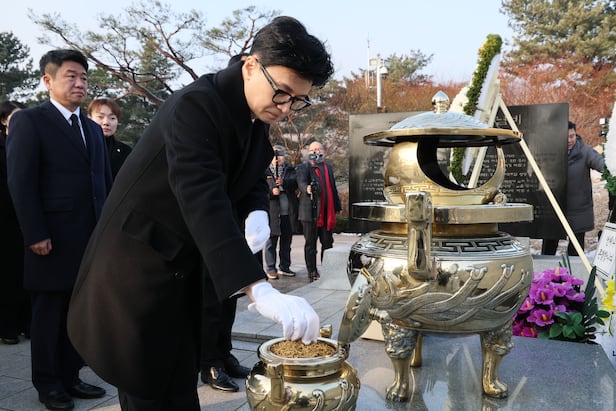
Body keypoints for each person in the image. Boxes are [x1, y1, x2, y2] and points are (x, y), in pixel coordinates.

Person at [66, 16, 334, 410]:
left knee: (177, 380)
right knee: (147, 387)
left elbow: (250, 173)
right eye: (282, 93)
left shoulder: (254, 111)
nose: (286, 108)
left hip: (180, 269)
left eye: (298, 100)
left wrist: (256, 211)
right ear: (250, 65)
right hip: (136, 269)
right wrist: (257, 286)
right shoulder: (196, 105)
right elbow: (201, 196)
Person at [6, 49, 112, 411]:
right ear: (48, 80)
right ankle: (48, 383)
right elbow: (21, 181)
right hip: (50, 239)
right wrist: (35, 232)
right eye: (71, 76)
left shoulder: (92, 129)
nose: (80, 83)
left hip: (90, 238)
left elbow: (103, 184)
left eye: (84, 77)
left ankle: (71, 375)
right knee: (49, 315)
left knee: (79, 312)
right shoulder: (30, 121)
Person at [542, 121, 605, 256]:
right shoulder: (549, 153)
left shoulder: (585, 152)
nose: (570, 140)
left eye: (572, 136)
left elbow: (601, 164)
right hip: (555, 210)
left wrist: (611, 169)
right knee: (548, 252)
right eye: (566, 137)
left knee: (576, 253)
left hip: (579, 211)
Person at [0, 100, 30, 345]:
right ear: (3, 121)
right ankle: (7, 326)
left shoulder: (29, 143)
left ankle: (26, 324)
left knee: (26, 273)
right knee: (7, 274)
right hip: (5, 220)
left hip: (26, 218)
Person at [296, 141, 341, 282]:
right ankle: (312, 271)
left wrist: (337, 206)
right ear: (309, 152)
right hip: (310, 213)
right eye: (313, 150)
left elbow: (333, 188)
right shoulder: (304, 167)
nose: (316, 151)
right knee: (311, 244)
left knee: (327, 243)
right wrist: (307, 188)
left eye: (319, 149)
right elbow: (301, 182)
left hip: (327, 212)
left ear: (323, 151)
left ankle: (327, 270)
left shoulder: (328, 168)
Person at [264, 145, 298, 280]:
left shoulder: (289, 169)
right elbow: (260, 190)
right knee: (271, 241)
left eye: (280, 155)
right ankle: (271, 268)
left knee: (286, 241)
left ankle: (285, 266)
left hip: (287, 212)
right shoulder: (265, 170)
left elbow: (295, 183)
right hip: (272, 211)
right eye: (275, 155)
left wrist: (284, 182)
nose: (277, 158)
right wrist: (271, 192)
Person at [87, 98, 132, 179]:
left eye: (112, 118)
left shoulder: (126, 152)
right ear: (89, 118)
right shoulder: (80, 146)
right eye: (100, 117)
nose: (106, 122)